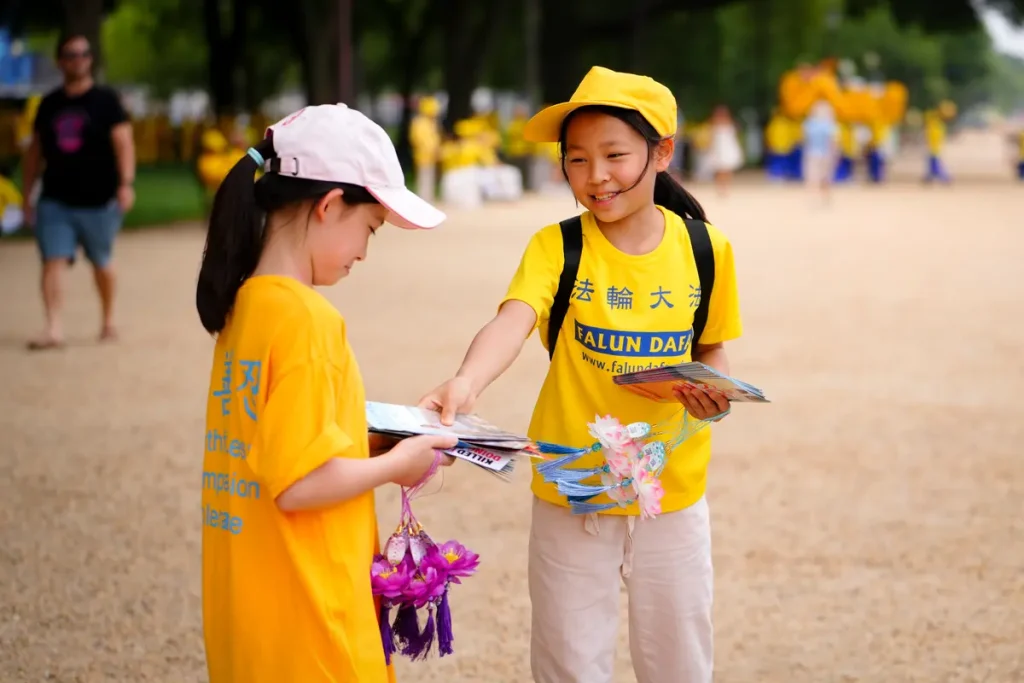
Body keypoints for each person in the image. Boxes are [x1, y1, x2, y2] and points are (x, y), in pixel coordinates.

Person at [418, 66, 743, 683]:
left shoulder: (706, 249)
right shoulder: (557, 247)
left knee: (679, 660)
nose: (596, 176)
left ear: (662, 153)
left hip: (671, 494)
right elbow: (512, 320)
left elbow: (713, 349)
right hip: (572, 490)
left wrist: (714, 394)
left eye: (615, 155)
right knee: (569, 661)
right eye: (577, 159)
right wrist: (467, 381)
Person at [196, 103, 458, 683]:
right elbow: (298, 485)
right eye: (370, 228)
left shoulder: (246, 306)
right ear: (330, 205)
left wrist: (378, 442)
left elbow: (276, 449)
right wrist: (397, 466)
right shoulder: (309, 321)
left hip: (251, 617)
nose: (365, 250)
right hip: (312, 621)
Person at [21, 34, 136, 350]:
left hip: (99, 199)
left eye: (84, 54)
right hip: (55, 198)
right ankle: (53, 328)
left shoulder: (106, 101)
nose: (78, 60)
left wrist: (126, 184)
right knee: (52, 260)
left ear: (90, 59)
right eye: (71, 54)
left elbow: (124, 144)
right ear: (60, 61)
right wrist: (27, 195)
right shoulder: (49, 104)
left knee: (102, 261)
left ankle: (108, 320)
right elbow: (34, 153)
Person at [801, 99, 839, 203]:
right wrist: (835, 153)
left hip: (813, 154)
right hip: (824, 154)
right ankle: (823, 197)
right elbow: (833, 141)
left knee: (813, 176)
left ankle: (815, 197)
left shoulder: (809, 124)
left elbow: (805, 140)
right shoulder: (829, 124)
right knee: (824, 177)